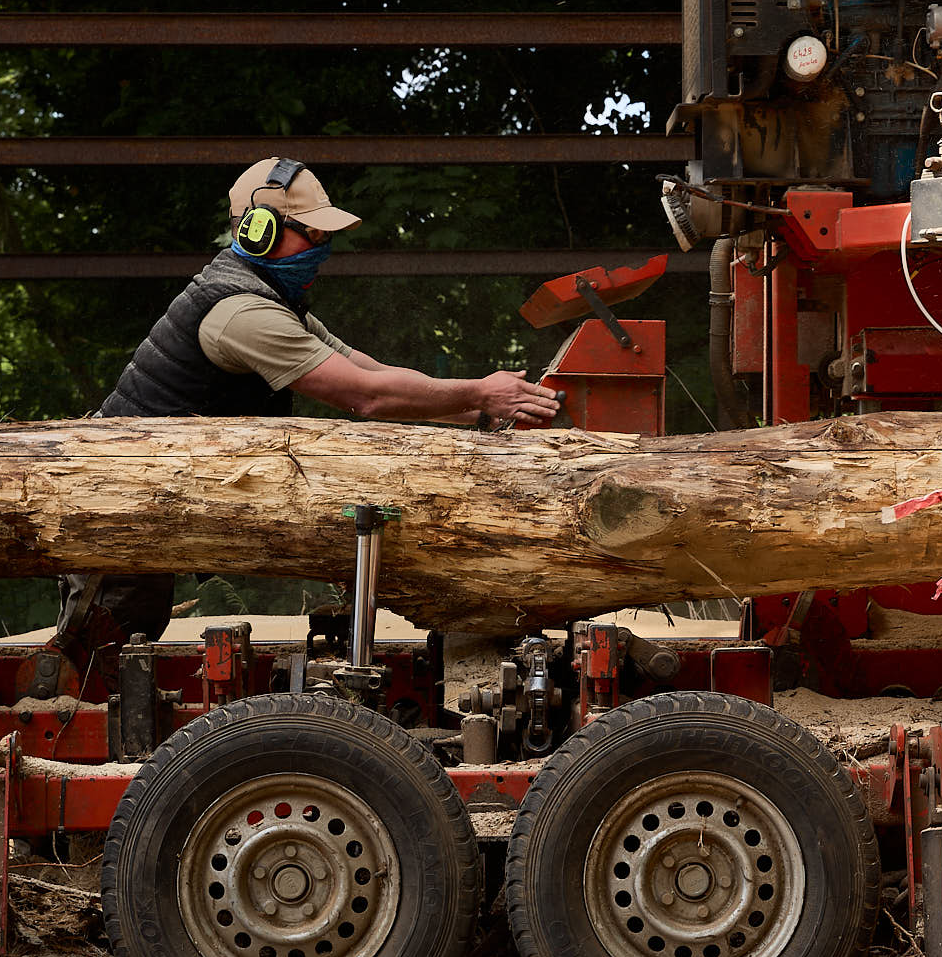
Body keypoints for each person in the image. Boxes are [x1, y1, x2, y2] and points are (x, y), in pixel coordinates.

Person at [31, 157, 561, 697]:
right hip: (117, 509)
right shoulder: (242, 315)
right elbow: (365, 396)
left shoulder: (273, 303)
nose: (320, 248)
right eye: (309, 233)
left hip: (150, 503)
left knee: (126, 658)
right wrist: (479, 392)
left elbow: (374, 371)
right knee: (99, 669)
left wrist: (482, 412)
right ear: (257, 232)